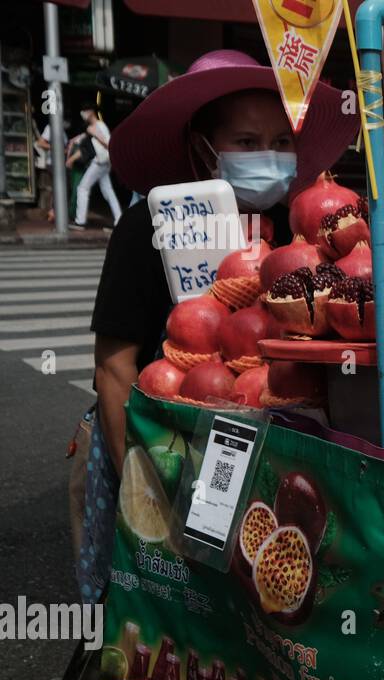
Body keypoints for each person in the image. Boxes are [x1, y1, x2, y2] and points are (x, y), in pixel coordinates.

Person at [81, 50, 357, 602]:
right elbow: (114, 372)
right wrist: (142, 485)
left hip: (274, 462)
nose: (269, 157)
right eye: (248, 143)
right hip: (161, 443)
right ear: (202, 148)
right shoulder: (146, 230)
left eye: (282, 143)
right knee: (153, 624)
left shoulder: (302, 234)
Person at [71, 106, 123, 230]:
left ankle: (80, 221)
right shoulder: (96, 126)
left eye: (84, 111)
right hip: (104, 162)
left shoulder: (99, 126)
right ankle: (119, 219)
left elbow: (107, 143)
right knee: (108, 191)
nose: (83, 114)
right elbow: (85, 136)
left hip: (100, 162)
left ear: (91, 112)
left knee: (82, 188)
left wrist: (95, 134)